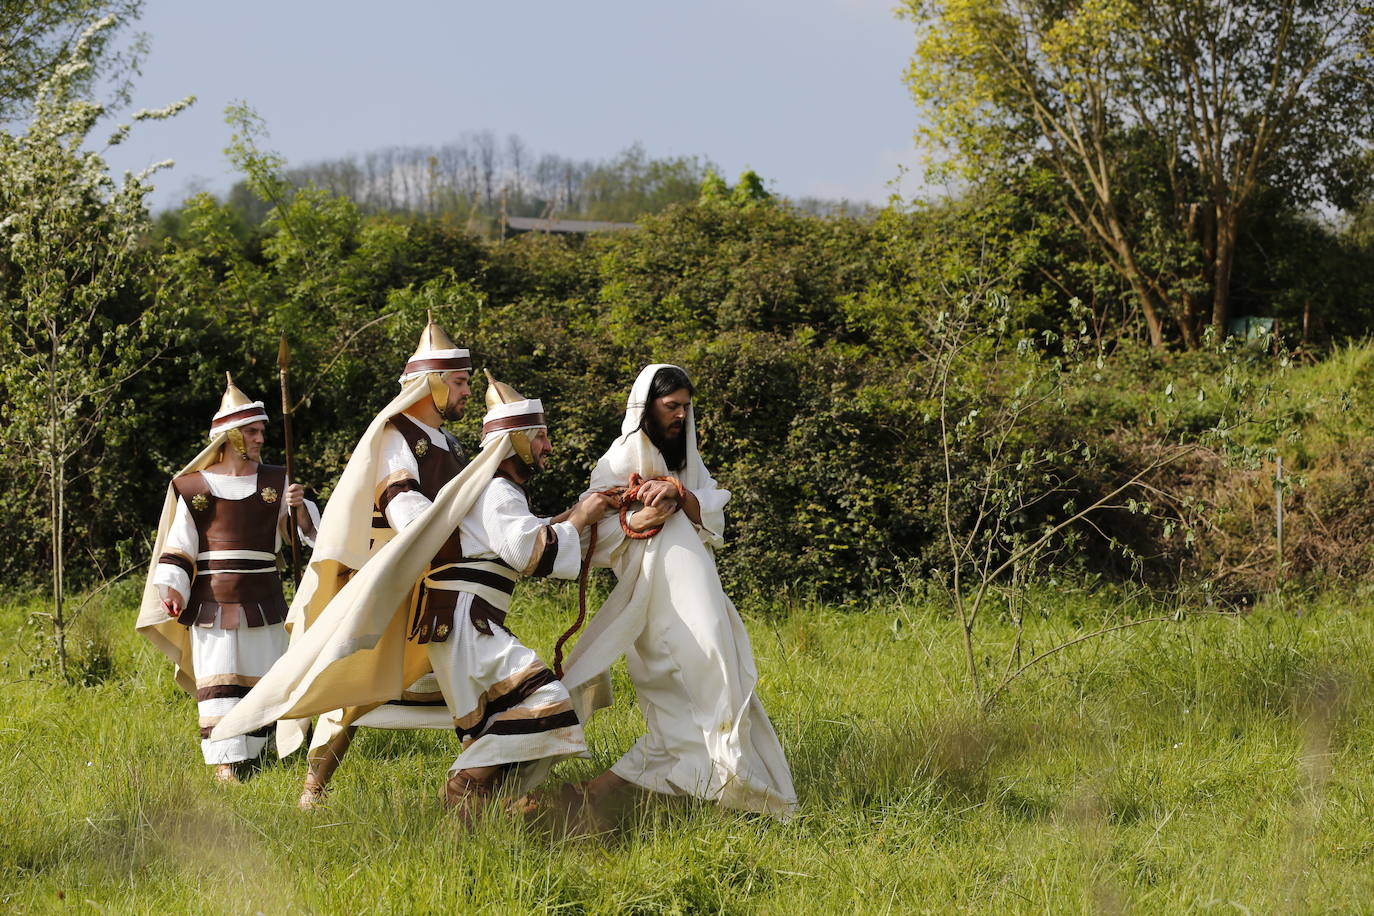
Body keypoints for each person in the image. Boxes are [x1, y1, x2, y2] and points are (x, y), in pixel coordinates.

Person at [210, 321, 616, 820]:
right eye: (460, 382)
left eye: (469, 382)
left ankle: (480, 793)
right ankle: (314, 788)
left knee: (459, 696)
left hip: (443, 584)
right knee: (350, 684)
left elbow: (482, 523)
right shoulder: (396, 434)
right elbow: (407, 515)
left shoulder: (454, 447)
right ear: (435, 382)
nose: (466, 392)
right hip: (394, 578)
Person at [559, 364, 797, 823]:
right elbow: (598, 536)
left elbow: (712, 514)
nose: (681, 416)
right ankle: (733, 793)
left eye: (686, 407)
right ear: (646, 406)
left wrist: (678, 492)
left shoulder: (688, 459)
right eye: (672, 406)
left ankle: (610, 793)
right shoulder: (617, 459)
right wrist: (638, 520)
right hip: (652, 597)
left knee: (722, 678)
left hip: (699, 589)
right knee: (689, 692)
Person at [136, 373, 319, 783]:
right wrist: (172, 589)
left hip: (263, 596)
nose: (259, 439)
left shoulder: (277, 481)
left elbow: (304, 538)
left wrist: (299, 508)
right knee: (220, 680)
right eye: (251, 431)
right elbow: (180, 546)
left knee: (266, 674)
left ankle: (268, 751)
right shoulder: (193, 487)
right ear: (230, 436)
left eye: (261, 431)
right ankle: (226, 762)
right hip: (211, 602)